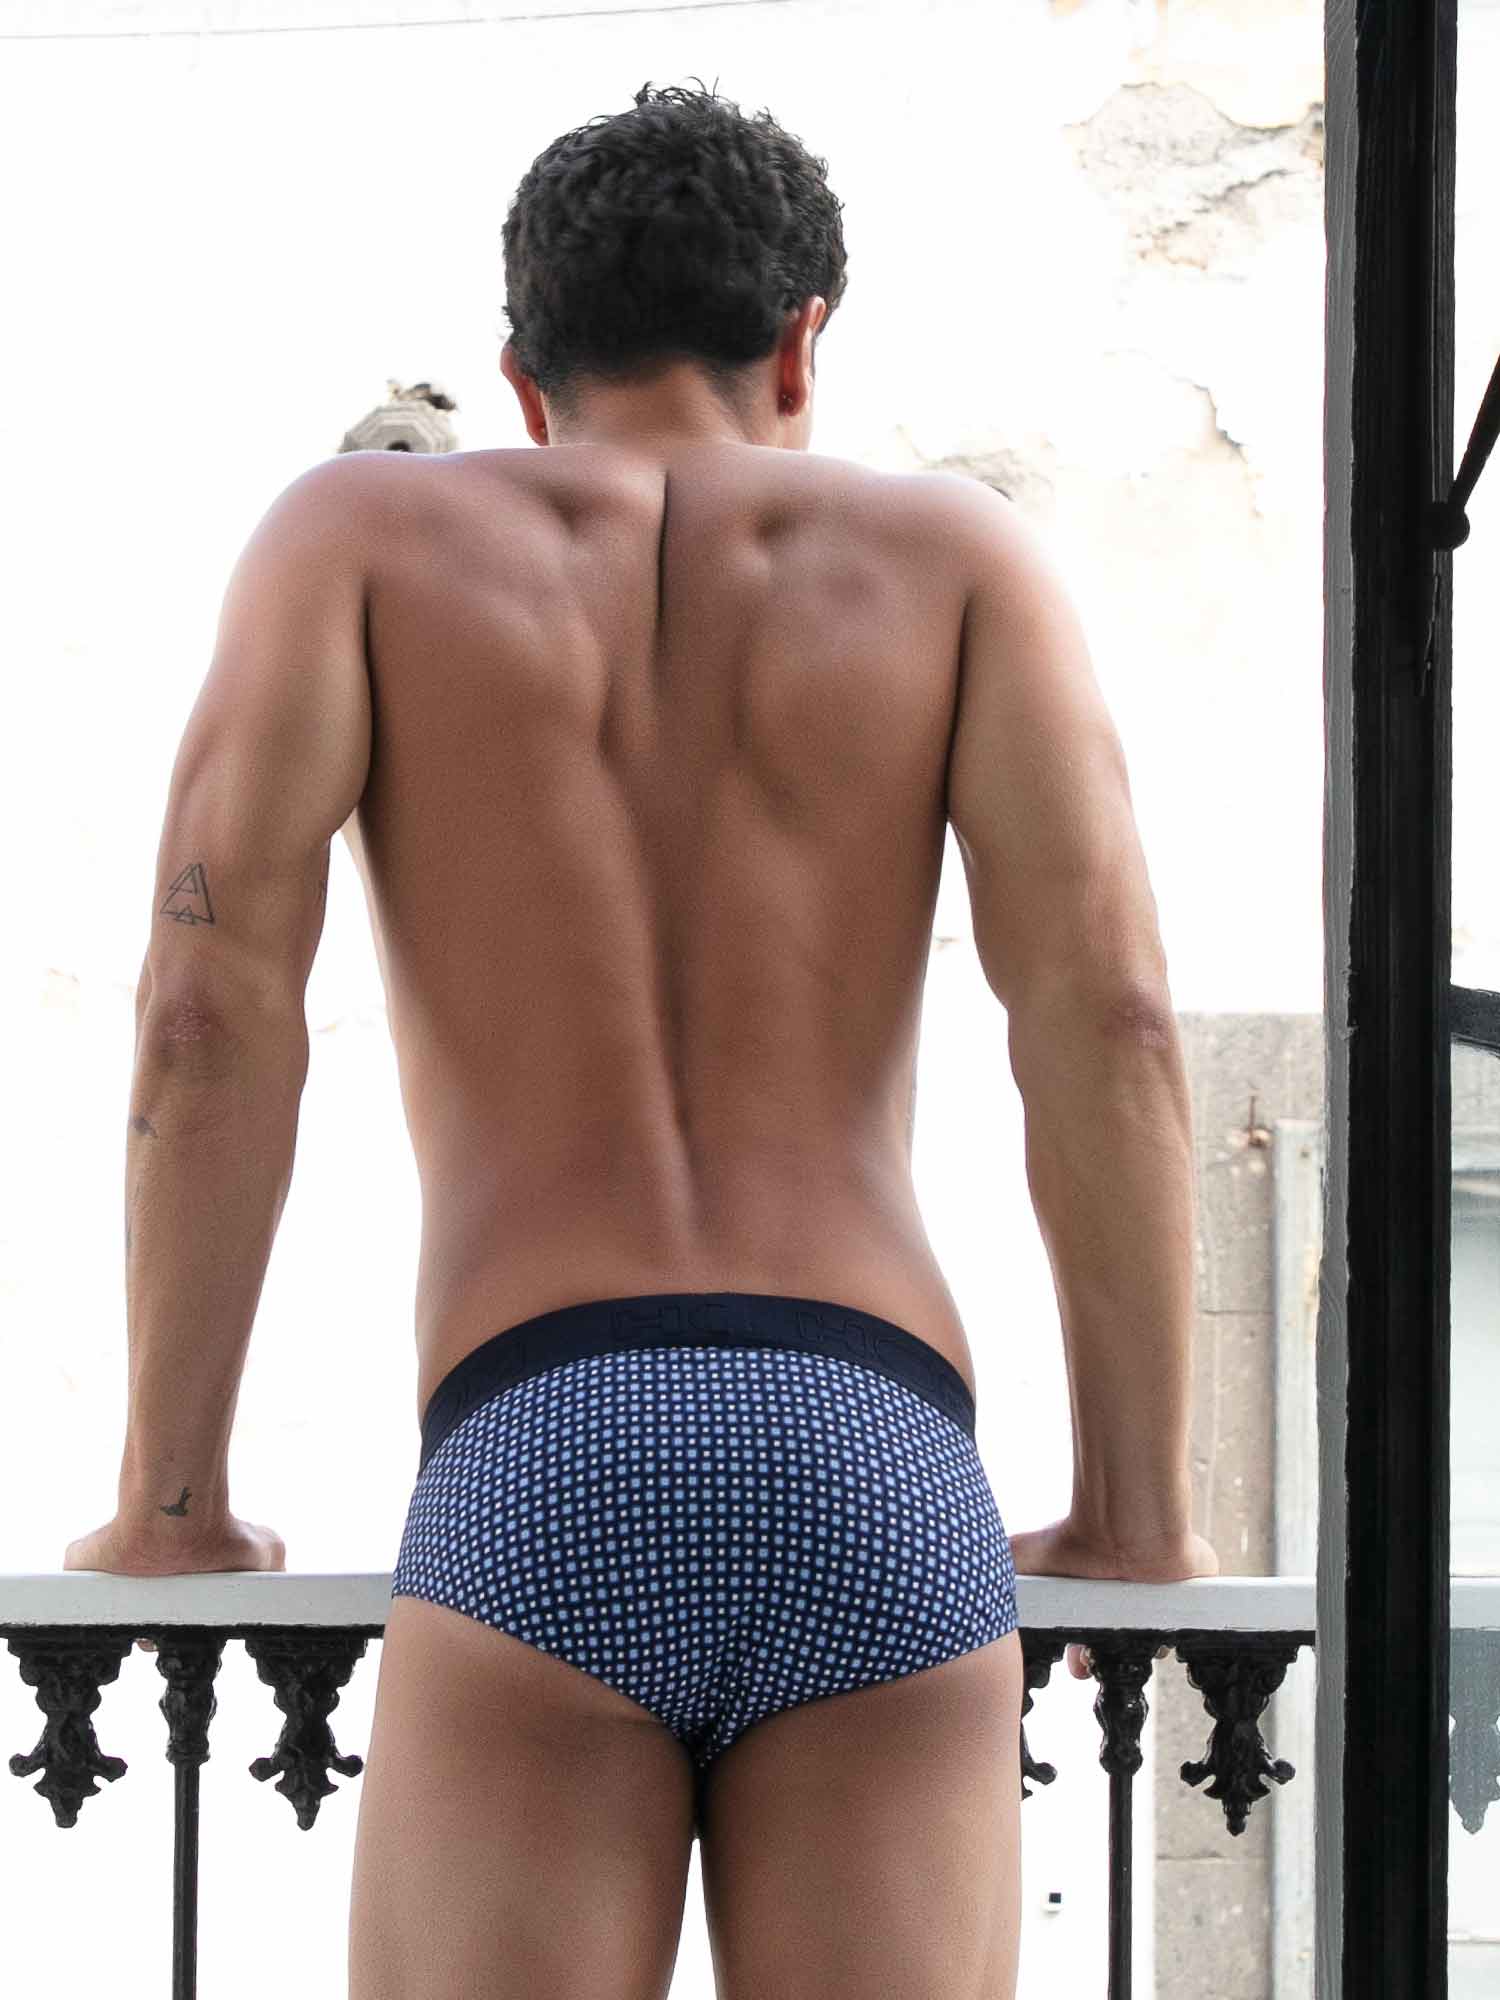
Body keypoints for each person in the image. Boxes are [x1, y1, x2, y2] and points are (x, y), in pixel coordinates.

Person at [96, 73, 1215, 2000]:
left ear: (522, 382)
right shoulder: (966, 562)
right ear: (802, 345)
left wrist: (170, 1503)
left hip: (547, 1437)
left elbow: (207, 1014)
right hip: (874, 1447)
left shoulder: (354, 542)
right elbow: (1109, 1023)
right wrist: (1136, 1513)